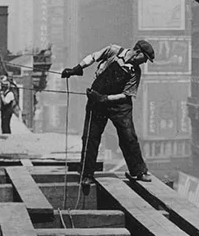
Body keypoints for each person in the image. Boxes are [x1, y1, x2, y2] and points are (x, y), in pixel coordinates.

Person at [61, 40, 155, 186]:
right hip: (97, 99)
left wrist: (105, 99)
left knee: (129, 137)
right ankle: (87, 175)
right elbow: (93, 57)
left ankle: (138, 172)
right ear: (138, 52)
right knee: (90, 136)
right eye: (145, 58)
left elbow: (126, 95)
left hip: (120, 105)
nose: (145, 62)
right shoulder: (114, 50)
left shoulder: (135, 72)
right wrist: (77, 68)